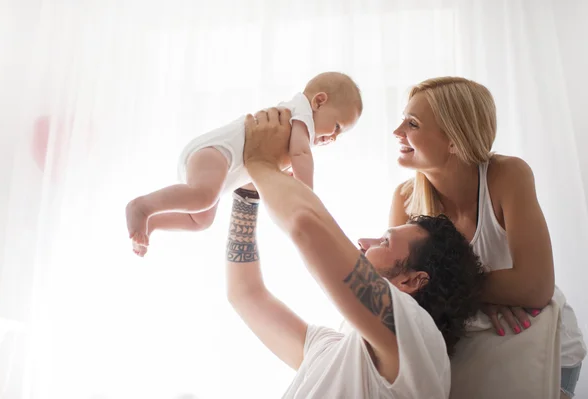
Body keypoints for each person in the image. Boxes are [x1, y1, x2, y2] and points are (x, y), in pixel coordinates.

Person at [225, 108, 485, 398]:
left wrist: (260, 162)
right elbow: (245, 293)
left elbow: (306, 226)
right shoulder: (329, 346)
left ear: (412, 281)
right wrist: (246, 198)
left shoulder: (417, 336)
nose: (363, 241)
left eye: (385, 242)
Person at [388, 76, 586, 398]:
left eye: (412, 123)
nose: (397, 132)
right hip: (473, 353)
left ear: (454, 138)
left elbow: (535, 287)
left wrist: (456, 291)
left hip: (544, 349)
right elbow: (399, 292)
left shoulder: (507, 176)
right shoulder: (405, 198)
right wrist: (489, 292)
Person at [125, 72, 362, 256]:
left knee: (201, 220)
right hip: (216, 152)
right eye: (338, 127)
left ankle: (152, 223)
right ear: (319, 101)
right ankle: (143, 207)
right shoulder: (302, 113)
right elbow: (301, 154)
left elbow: (277, 164)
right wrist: (306, 193)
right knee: (204, 197)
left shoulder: (297, 124)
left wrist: (284, 177)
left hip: (222, 168)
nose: (333, 138)